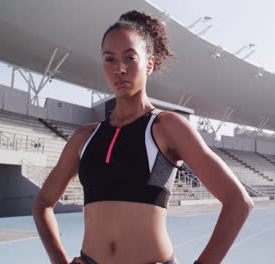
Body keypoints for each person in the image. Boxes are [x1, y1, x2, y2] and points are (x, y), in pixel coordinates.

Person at [33, 10, 254, 264]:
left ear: (149, 64)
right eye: (110, 59)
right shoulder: (86, 137)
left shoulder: (167, 127)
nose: (120, 69)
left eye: (130, 57)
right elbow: (43, 204)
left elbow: (238, 202)